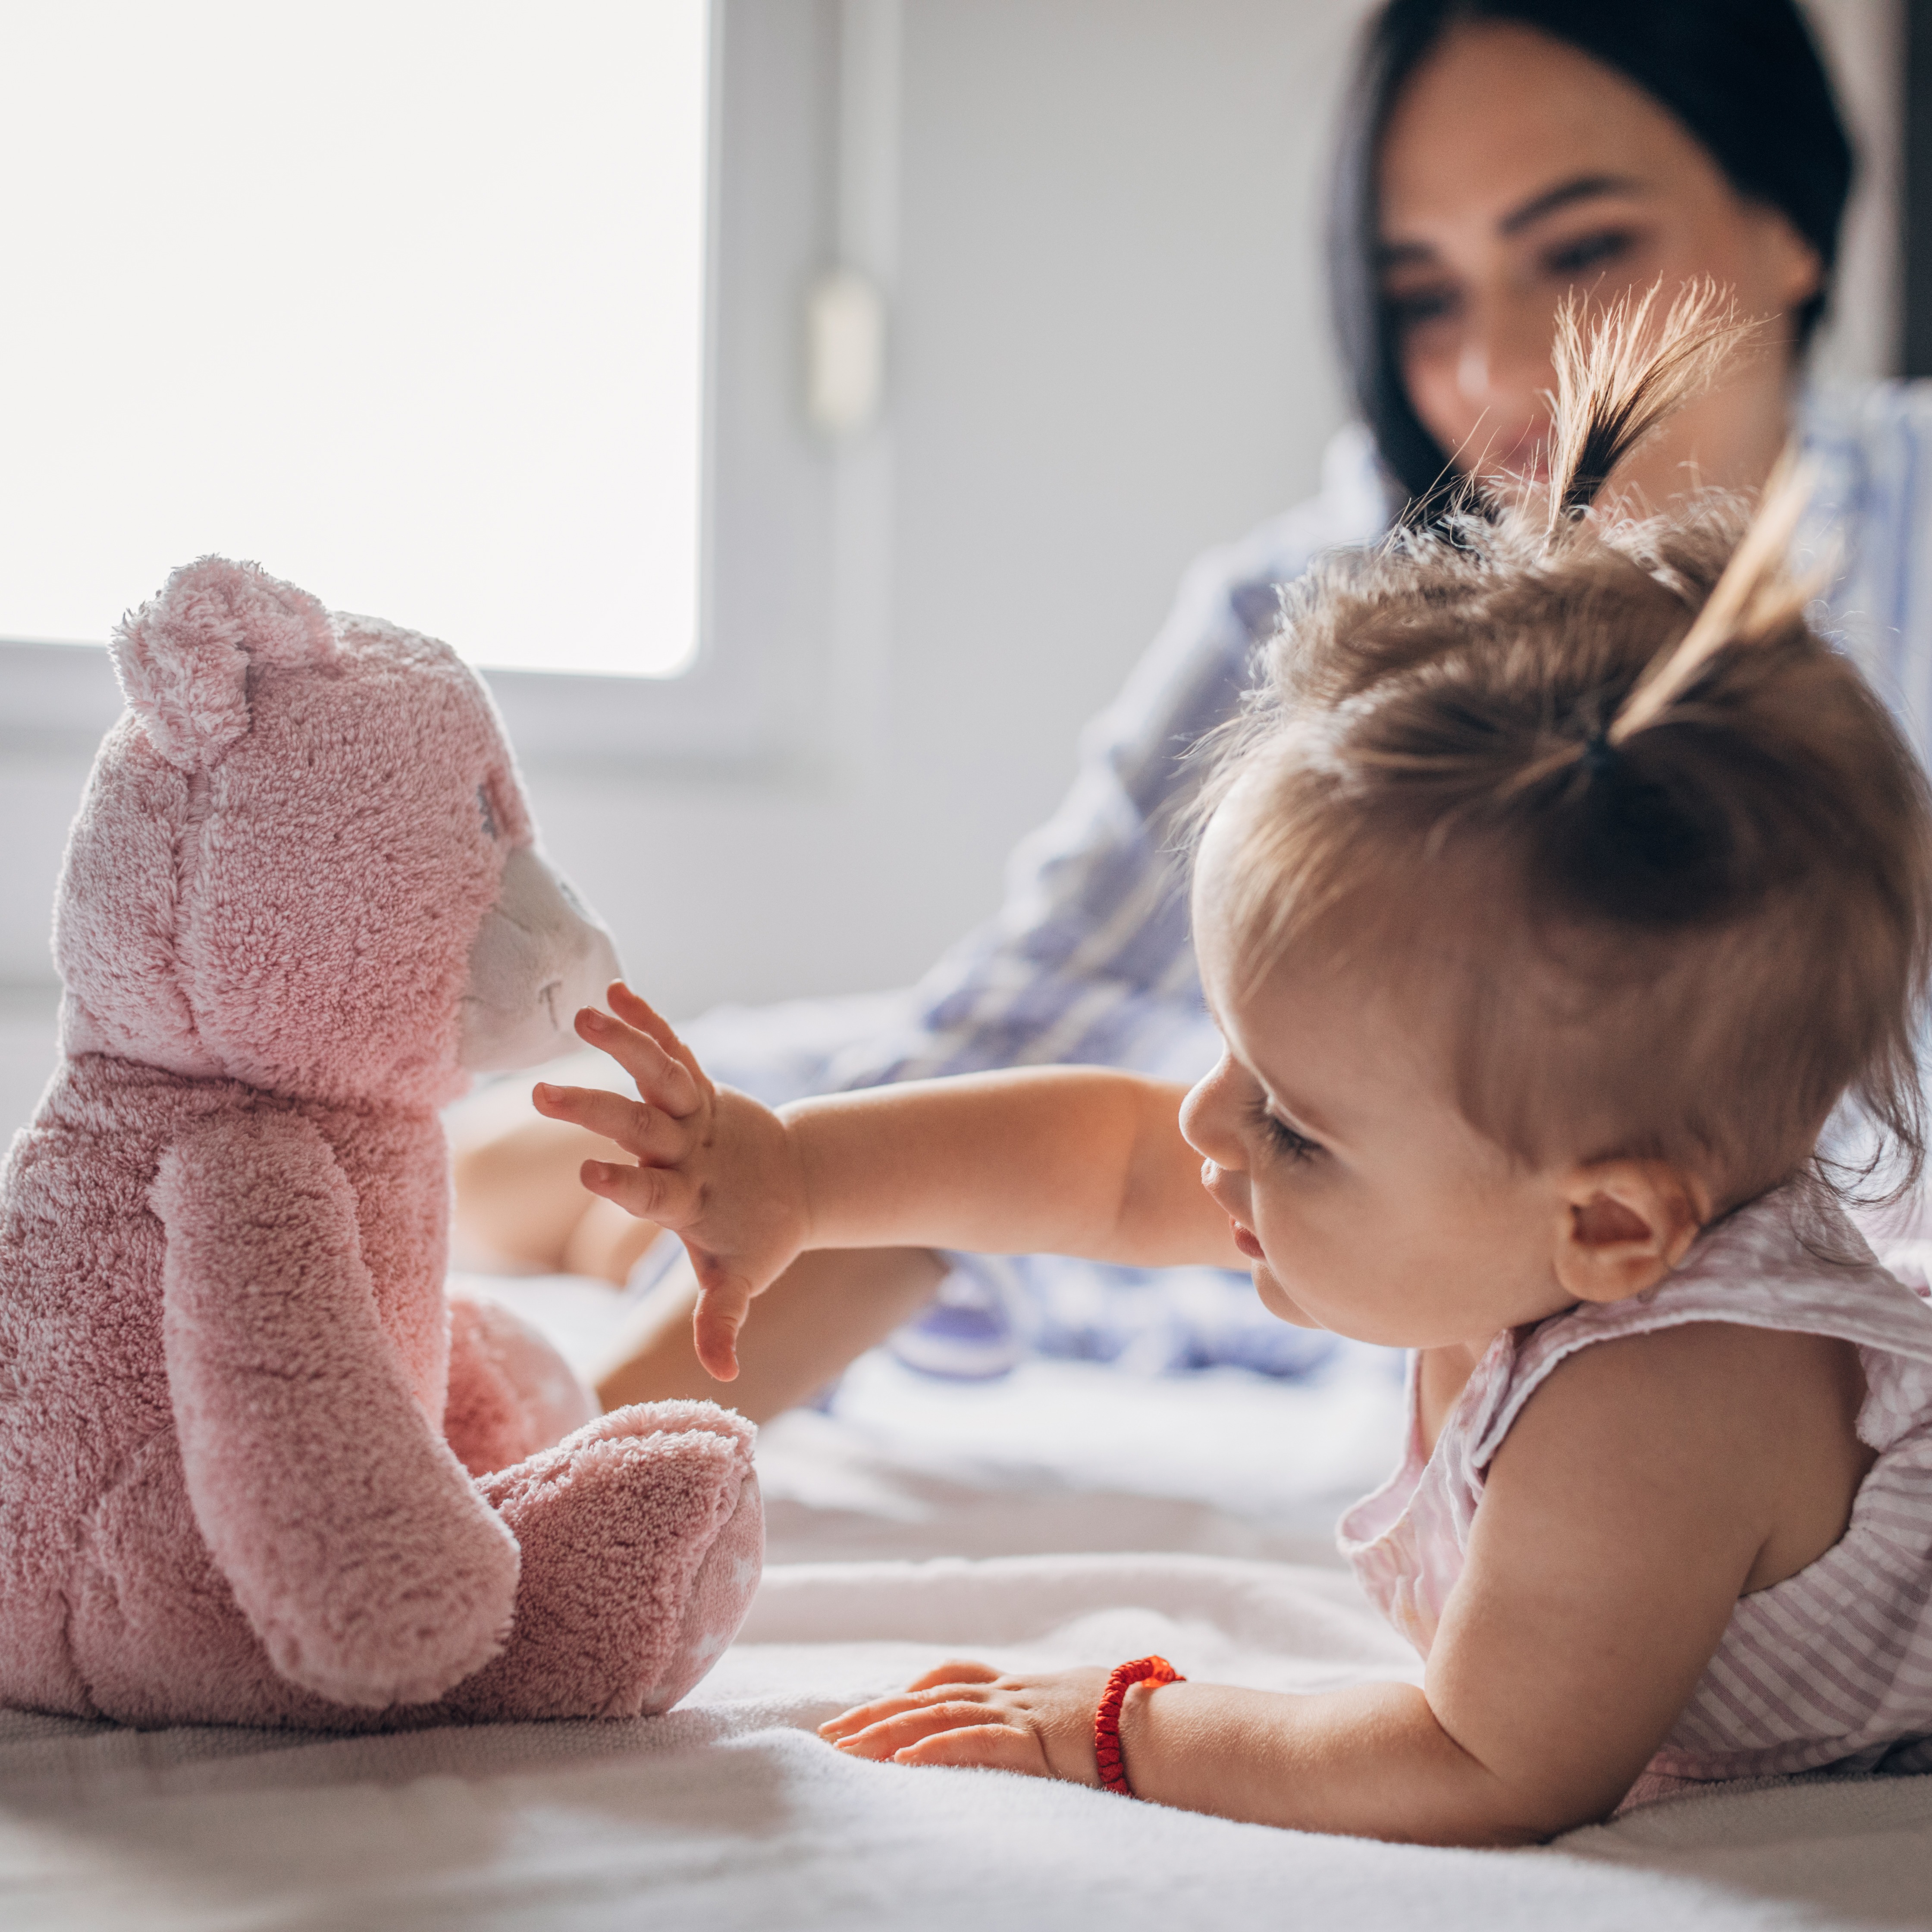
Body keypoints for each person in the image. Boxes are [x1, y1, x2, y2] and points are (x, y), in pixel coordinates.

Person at [531, 299, 1932, 1841]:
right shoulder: (1530, 1203)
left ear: (1613, 1232)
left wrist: (1121, 1728)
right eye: (1235, 1057)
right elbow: (1118, 1163)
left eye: (1298, 1126)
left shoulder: (1667, 1400)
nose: (1207, 1123)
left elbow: (1487, 1762)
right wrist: (798, 1176)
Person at [457, 0, 1920, 1422]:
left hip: (1389, 1198)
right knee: (573, 1148)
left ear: (1789, 218)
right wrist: (583, 1470)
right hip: (1287, 1182)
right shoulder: (1331, 602)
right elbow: (1030, 1069)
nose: (1492, 371)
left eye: (1585, 250)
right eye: (1424, 295)